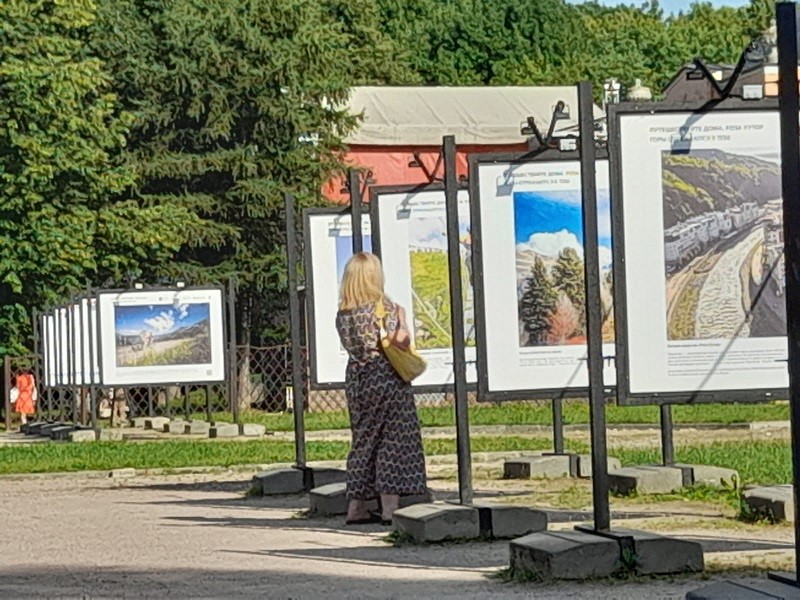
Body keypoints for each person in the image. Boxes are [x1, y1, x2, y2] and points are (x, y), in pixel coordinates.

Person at [335, 252, 428, 525]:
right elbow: (399, 341)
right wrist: (403, 319)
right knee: (393, 439)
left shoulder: (343, 313)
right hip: (385, 376)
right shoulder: (383, 307)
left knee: (363, 439)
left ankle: (356, 506)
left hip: (357, 377)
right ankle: (389, 509)